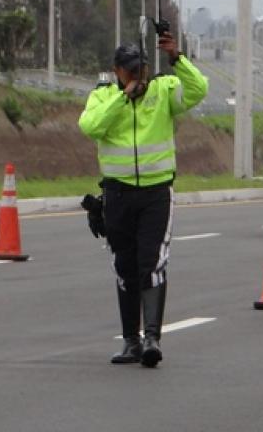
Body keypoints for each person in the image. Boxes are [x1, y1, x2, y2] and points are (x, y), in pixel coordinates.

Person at [78, 32, 208, 367]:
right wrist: (123, 98)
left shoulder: (163, 91)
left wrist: (177, 58)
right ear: (117, 71)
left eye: (142, 69)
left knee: (152, 263)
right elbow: (90, 126)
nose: (138, 76)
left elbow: (198, 90)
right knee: (125, 267)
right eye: (131, 70)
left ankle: (152, 338)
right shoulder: (104, 96)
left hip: (155, 194)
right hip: (118, 194)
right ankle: (130, 341)